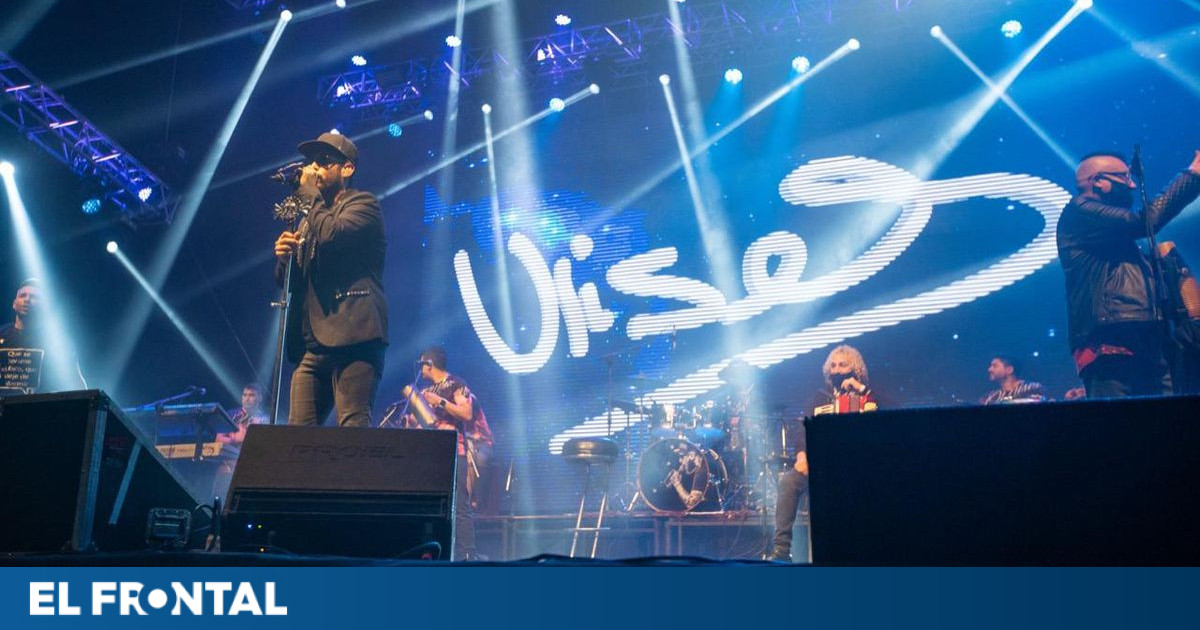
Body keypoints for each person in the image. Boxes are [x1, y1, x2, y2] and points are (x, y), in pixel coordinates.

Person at [1056, 150, 1200, 398]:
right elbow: (1145, 221)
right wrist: (1193, 175)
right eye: (1124, 177)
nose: (1132, 185)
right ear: (1098, 181)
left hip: (1148, 346)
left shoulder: (1116, 238)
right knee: (1120, 421)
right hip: (1109, 347)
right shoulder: (1079, 212)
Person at [273, 132, 388, 427]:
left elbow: (333, 235)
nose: (314, 167)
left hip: (354, 337)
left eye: (324, 161)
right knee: (297, 439)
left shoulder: (364, 205)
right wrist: (285, 258)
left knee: (351, 432)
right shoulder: (309, 220)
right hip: (313, 346)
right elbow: (290, 283)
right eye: (312, 161)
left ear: (347, 168)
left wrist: (309, 196)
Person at [768, 344, 879, 562]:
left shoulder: (868, 396)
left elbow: (885, 418)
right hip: (822, 468)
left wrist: (862, 391)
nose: (837, 370)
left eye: (843, 365)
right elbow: (802, 430)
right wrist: (802, 455)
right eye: (833, 366)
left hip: (859, 468)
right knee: (789, 481)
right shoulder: (820, 399)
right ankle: (781, 549)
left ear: (855, 369)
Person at [396, 346, 494, 560]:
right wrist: (409, 422)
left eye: (422, 364)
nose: (420, 369)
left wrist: (440, 401)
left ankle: (467, 554)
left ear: (429, 364)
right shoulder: (425, 390)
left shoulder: (456, 384)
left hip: (455, 451)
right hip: (431, 454)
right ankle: (433, 551)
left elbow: (466, 413)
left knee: (459, 505)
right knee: (431, 506)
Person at [0, 278, 84, 394]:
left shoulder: (56, 342)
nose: (27, 300)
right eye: (23, 295)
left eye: (34, 297)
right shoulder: (2, 333)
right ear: (14, 304)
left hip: (37, 404)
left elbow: (75, 382)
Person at [213, 383, 270, 499]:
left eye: (251, 395)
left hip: (252, 469)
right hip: (227, 467)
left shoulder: (265, 419)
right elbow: (218, 439)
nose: (247, 399)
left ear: (259, 398)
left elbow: (265, 444)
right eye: (245, 395)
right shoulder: (230, 415)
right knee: (218, 498)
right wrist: (236, 439)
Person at [980, 355, 1046, 405]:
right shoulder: (990, 397)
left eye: (995, 366)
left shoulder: (1032, 388)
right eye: (990, 366)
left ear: (1009, 370)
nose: (989, 369)